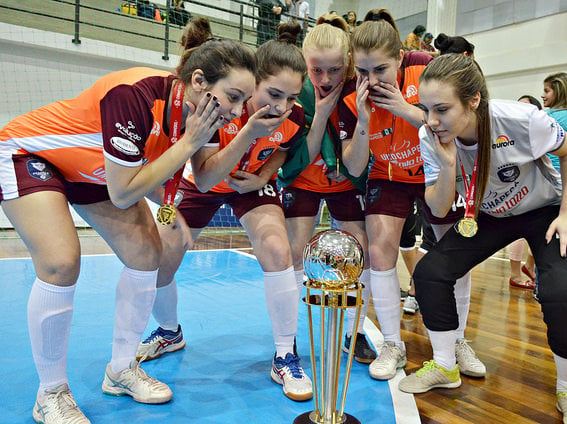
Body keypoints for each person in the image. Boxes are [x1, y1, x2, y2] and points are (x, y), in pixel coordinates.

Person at [0, 16, 257, 423]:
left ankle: (120, 369)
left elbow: (203, 178)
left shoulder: (206, 116)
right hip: (31, 154)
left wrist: (247, 134)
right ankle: (50, 393)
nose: (238, 109)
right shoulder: (134, 94)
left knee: (147, 254)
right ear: (199, 82)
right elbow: (123, 192)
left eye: (245, 101)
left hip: (93, 171)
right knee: (61, 262)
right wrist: (189, 142)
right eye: (234, 97)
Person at [400, 53, 567, 424]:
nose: (431, 120)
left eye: (441, 108)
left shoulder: (519, 119)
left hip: (546, 211)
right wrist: (445, 165)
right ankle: (445, 366)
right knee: (429, 273)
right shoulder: (431, 134)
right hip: (489, 214)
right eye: (424, 108)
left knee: (563, 293)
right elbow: (439, 209)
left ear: (473, 100)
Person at [137, 22, 315, 402]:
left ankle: (285, 355)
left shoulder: (294, 116)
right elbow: (204, 177)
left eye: (291, 96)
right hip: (205, 180)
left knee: (277, 250)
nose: (281, 106)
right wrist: (248, 133)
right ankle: (169, 332)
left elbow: (287, 146)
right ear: (252, 84)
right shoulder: (217, 108)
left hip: (250, 183)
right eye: (272, 94)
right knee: (159, 259)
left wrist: (265, 174)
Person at [340, 9, 485, 381]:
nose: (370, 80)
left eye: (381, 70)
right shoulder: (351, 95)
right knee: (379, 249)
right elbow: (355, 167)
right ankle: (392, 343)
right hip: (387, 174)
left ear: (400, 59)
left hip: (435, 170)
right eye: (362, 72)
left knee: (455, 253)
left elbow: (457, 124)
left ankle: (456, 340)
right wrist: (365, 121)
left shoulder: (427, 70)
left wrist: (405, 110)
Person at [277, 13, 376, 364]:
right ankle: (286, 341)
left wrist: (347, 173)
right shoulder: (296, 87)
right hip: (303, 177)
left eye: (334, 70)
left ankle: (355, 331)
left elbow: (365, 145)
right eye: (317, 70)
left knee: (360, 248)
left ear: (347, 63)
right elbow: (297, 154)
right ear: (305, 63)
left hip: (344, 181)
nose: (325, 78)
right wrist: (320, 113)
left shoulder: (358, 85)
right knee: (292, 253)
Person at [506, 94, 543, 289]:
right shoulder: (507, 130)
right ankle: (515, 275)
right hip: (514, 189)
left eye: (524, 106)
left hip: (535, 187)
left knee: (538, 229)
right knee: (519, 231)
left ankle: (529, 266)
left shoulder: (538, 130)